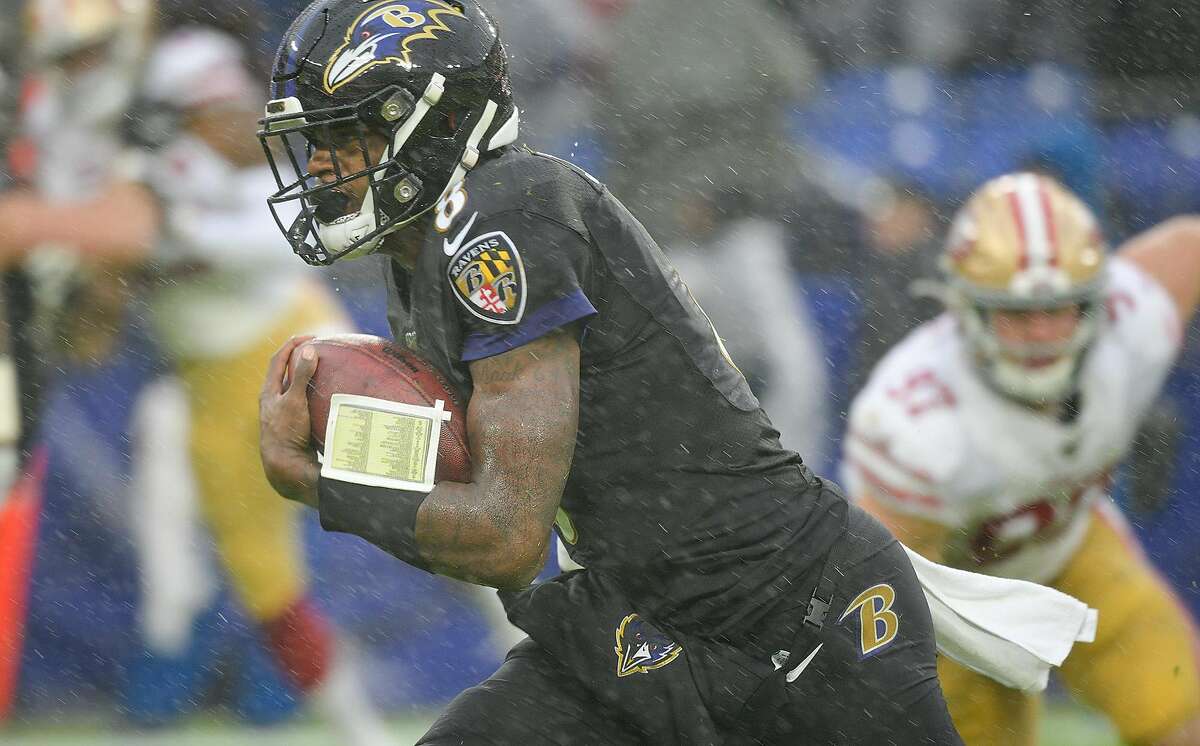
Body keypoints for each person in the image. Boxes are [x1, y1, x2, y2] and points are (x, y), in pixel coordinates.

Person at [255, 1, 962, 742]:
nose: (323, 164)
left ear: (435, 123)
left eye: (347, 132)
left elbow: (505, 538)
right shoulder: (426, 256)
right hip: (643, 623)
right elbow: (471, 500)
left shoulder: (500, 214)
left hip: (796, 617)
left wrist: (319, 480)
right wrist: (347, 447)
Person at [0, 6, 392, 742]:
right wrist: (99, 260)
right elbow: (92, 329)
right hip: (210, 376)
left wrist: (148, 210)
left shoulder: (179, 66)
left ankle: (540, 638)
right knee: (266, 586)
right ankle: (364, 734)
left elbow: (271, 164)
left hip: (293, 335)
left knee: (430, 494)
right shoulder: (51, 120)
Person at [842, 172, 1200, 745]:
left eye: (1060, 308)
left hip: (1073, 547)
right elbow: (890, 592)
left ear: (1095, 299)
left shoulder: (1128, 326)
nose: (1041, 333)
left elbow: (1189, 242)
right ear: (965, 307)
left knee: (1178, 712)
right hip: (959, 603)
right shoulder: (915, 423)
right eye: (1016, 312)